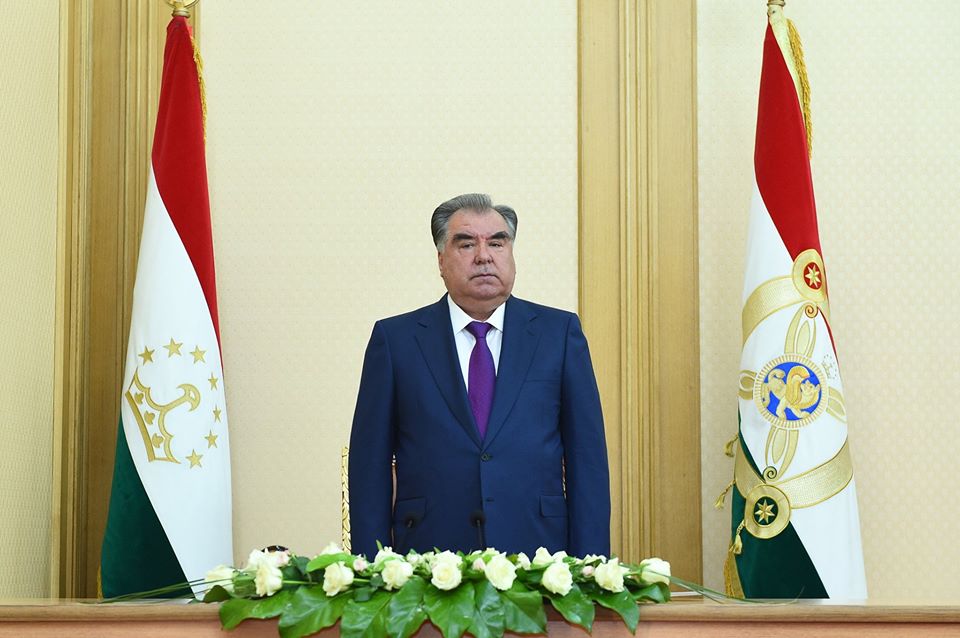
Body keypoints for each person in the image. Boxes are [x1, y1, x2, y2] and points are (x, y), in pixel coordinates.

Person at [348, 193, 610, 559]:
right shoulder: (396, 341)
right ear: (441, 260)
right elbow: (369, 466)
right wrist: (372, 569)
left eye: (497, 243)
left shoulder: (559, 334)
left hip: (540, 555)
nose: (484, 256)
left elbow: (588, 460)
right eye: (467, 244)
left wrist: (590, 566)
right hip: (428, 556)